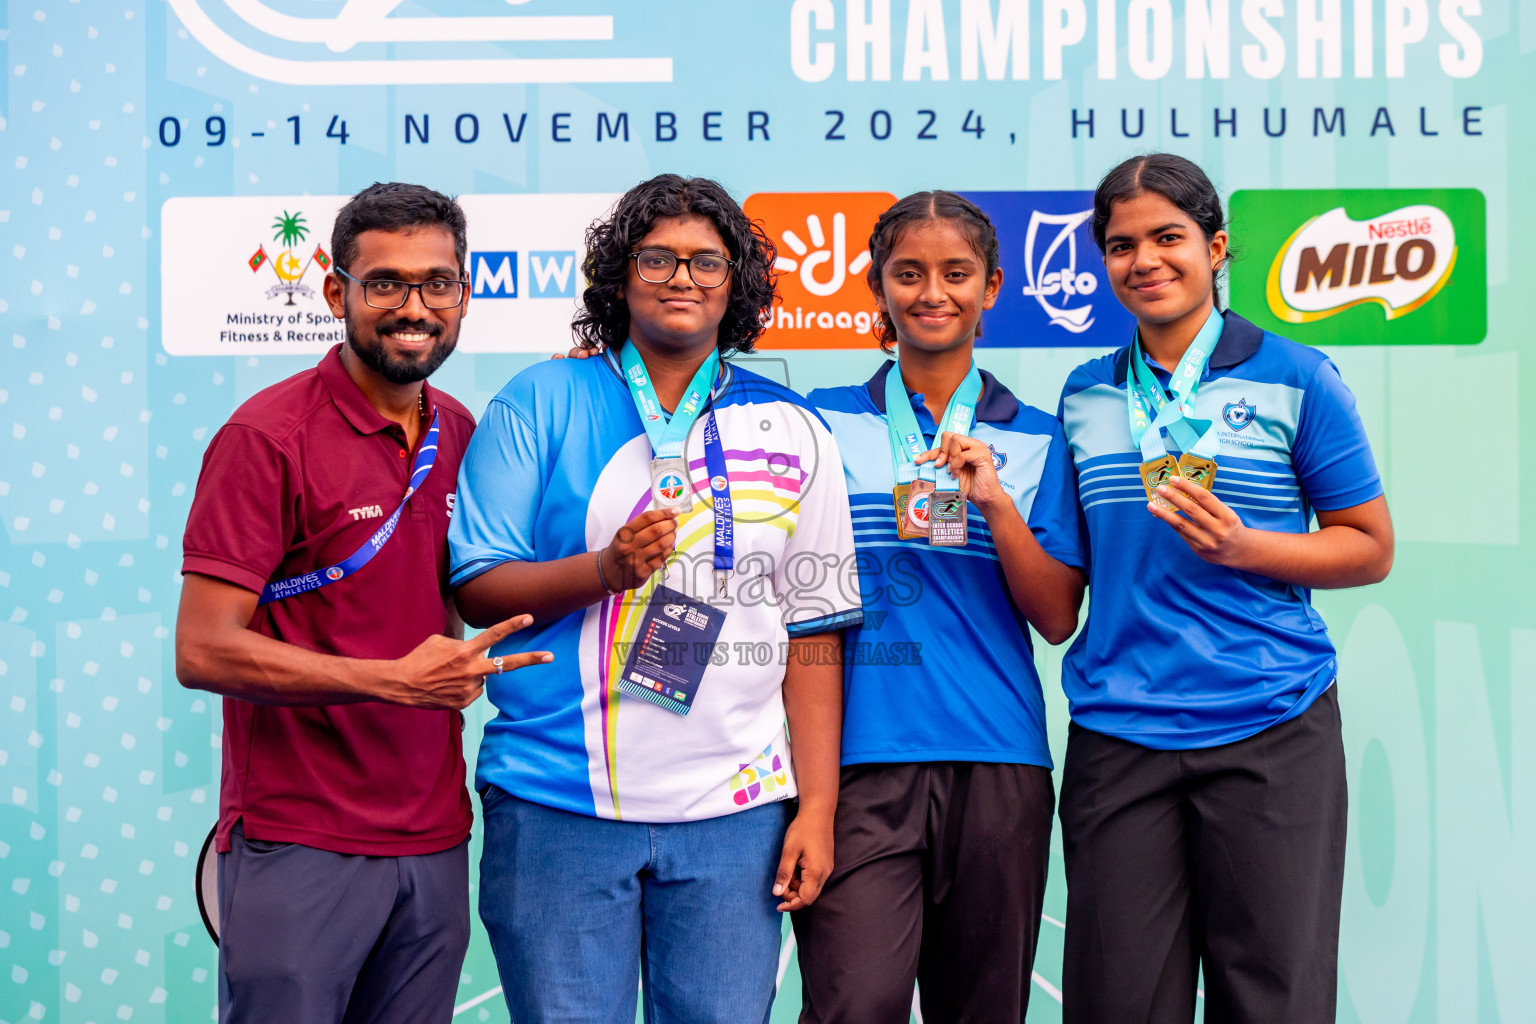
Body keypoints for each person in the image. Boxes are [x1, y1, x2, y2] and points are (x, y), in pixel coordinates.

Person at [448, 173, 863, 1024]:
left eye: (706, 262)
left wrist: (816, 809)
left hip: (735, 814)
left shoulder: (794, 428)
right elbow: (478, 586)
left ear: (737, 283)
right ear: (618, 275)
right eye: (657, 258)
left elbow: (814, 633)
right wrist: (601, 570)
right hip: (556, 798)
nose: (682, 278)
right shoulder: (540, 400)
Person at [175, 182, 549, 1024]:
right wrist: (391, 681)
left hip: (435, 838)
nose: (413, 307)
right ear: (338, 292)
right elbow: (202, 650)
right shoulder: (266, 439)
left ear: (463, 294)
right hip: (299, 838)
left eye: (437, 284)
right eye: (386, 284)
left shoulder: (461, 429)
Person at [1055, 154, 1395, 1023]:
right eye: (1122, 245)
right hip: (1119, 733)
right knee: (1117, 1004)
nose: (1146, 261)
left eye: (1169, 238)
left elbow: (1369, 548)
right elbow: (1071, 574)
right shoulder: (1087, 394)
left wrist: (1249, 546)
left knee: (1272, 1000)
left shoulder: (1297, 375)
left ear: (1215, 247)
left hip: (1271, 723)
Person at [794, 191, 1087, 1023]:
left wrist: (995, 504)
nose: (933, 292)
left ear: (991, 288)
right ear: (875, 288)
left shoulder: (1036, 436)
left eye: (956, 274)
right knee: (855, 1005)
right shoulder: (815, 423)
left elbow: (1058, 615)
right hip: (854, 762)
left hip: (998, 761)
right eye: (909, 273)